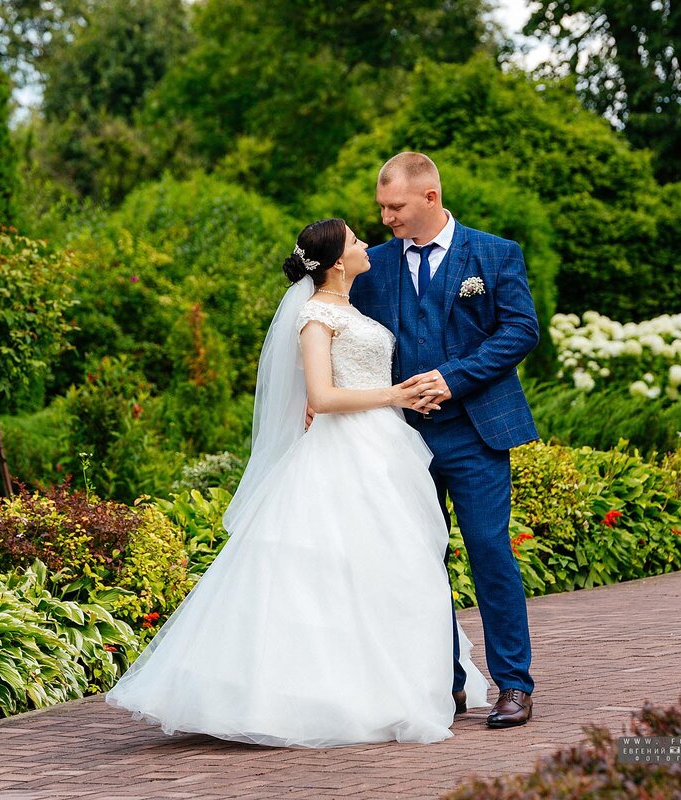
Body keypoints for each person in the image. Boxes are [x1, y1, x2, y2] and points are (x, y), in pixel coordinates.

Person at [104, 218, 490, 748]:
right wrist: (395, 396)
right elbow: (324, 396)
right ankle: (318, 696)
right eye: (355, 241)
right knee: (328, 574)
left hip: (384, 448)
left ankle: (388, 684)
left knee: (389, 568)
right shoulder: (315, 315)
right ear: (336, 262)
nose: (364, 246)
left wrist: (400, 398)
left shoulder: (353, 309)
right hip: (345, 450)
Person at [350, 152, 540, 728]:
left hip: (476, 433)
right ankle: (441, 684)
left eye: (395, 206)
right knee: (419, 561)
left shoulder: (494, 254)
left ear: (430, 198)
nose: (385, 217)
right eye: (381, 207)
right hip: (401, 438)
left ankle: (514, 685)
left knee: (489, 551)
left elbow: (521, 330)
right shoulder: (373, 267)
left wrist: (451, 379)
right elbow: (349, 336)